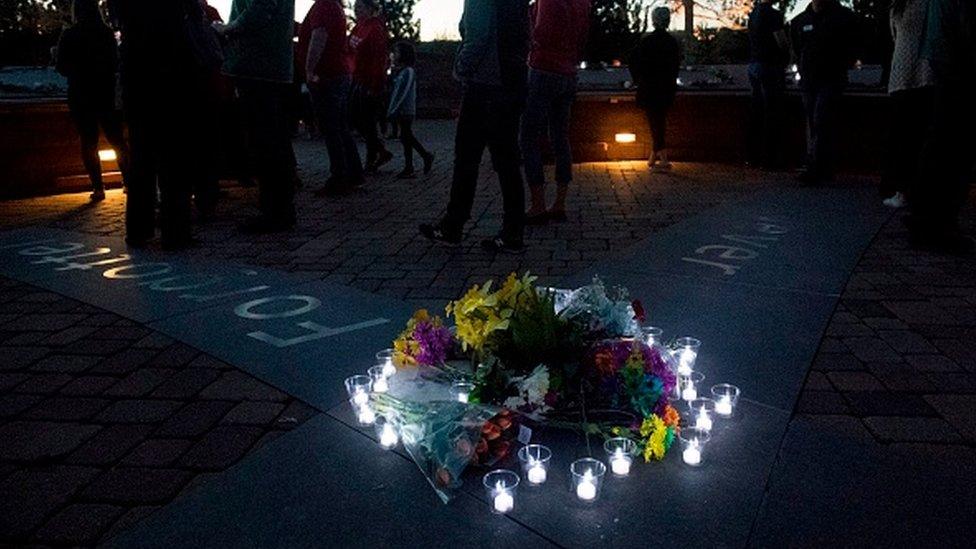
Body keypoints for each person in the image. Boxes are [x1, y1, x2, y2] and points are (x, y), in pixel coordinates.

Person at [419, 0, 531, 253]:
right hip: (511, 83)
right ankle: (512, 231)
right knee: (507, 162)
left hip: (485, 86)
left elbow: (477, 38)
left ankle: (454, 225)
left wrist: (460, 69)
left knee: (467, 159)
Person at [114, 0, 204, 249]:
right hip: (173, 78)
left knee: (141, 160)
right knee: (175, 162)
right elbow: (194, 16)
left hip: (137, 80)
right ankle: (175, 232)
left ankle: (138, 229)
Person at [218, 0, 298, 233]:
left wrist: (228, 28)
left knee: (266, 141)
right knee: (271, 140)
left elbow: (261, 9)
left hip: (259, 66)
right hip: (265, 66)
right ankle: (277, 208)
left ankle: (276, 210)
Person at [909, 0, 975, 254]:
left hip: (944, 55)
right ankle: (940, 221)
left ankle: (925, 215)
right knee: (956, 146)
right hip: (958, 60)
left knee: (941, 139)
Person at [520, 0, 590, 225]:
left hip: (543, 70)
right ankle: (559, 203)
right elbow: (583, 35)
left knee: (529, 138)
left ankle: (537, 204)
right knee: (560, 138)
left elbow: (542, 32)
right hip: (568, 73)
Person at [56, 0, 130, 202]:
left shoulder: (69, 35)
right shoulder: (106, 34)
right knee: (117, 139)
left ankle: (98, 187)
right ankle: (129, 182)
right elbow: (116, 63)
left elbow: (61, 66)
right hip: (104, 92)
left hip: (81, 94)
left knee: (89, 142)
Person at [789, 0, 860, 185]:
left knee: (821, 119)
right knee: (814, 122)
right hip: (809, 80)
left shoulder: (843, 17)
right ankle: (819, 166)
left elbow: (853, 45)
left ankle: (817, 167)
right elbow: (796, 48)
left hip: (832, 79)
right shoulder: (799, 21)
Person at [299, 0, 364, 196]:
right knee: (339, 127)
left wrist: (309, 70)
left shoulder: (324, 5)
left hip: (327, 75)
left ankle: (339, 177)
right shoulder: (332, 6)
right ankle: (353, 173)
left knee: (331, 128)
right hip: (337, 73)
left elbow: (319, 36)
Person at [879, 0, 935, 210]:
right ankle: (911, 189)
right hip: (918, 73)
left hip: (908, 74)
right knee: (912, 136)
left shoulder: (900, 6)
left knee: (906, 137)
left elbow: (895, 36)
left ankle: (905, 189)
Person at [629, 7, 681, 174]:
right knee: (659, 121)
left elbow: (634, 62)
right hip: (666, 88)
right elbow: (675, 66)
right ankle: (655, 156)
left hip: (649, 87)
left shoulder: (646, 42)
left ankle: (662, 157)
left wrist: (638, 80)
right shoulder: (672, 42)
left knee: (655, 121)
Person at [349, 0, 392, 173]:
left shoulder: (375, 29)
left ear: (370, 9)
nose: (357, 11)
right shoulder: (358, 27)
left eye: (360, 8)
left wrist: (375, 85)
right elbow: (349, 47)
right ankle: (379, 151)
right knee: (355, 118)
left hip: (368, 82)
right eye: (355, 8)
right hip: (356, 79)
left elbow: (378, 59)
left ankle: (373, 155)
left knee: (366, 120)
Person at [746, 0, 789, 170]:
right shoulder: (773, 15)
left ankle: (753, 157)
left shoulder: (753, 14)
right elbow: (781, 40)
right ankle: (770, 159)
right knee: (772, 112)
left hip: (754, 65)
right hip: (769, 66)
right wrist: (788, 55)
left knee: (757, 111)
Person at [387, 42, 434, 179]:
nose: (394, 55)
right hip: (402, 110)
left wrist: (394, 109)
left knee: (406, 136)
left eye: (396, 53)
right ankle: (415, 162)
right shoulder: (402, 71)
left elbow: (403, 93)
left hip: (405, 110)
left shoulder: (408, 72)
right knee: (406, 137)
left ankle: (418, 161)